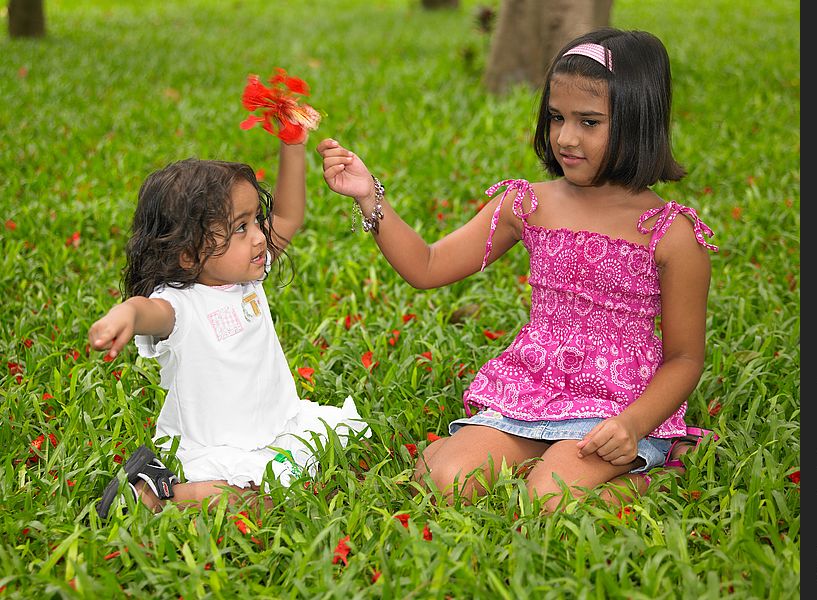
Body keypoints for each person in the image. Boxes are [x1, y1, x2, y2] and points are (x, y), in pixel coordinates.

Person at [317, 27, 718, 512]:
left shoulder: (670, 232)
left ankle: (660, 465)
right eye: (556, 117)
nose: (566, 137)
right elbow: (427, 265)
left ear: (638, 123)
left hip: (619, 402)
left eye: (589, 122)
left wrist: (633, 425)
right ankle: (528, 457)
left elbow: (683, 358)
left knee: (552, 501)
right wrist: (368, 196)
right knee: (448, 482)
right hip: (532, 388)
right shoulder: (527, 203)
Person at [89, 139, 368, 519]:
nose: (258, 235)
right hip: (218, 445)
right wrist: (124, 315)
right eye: (240, 227)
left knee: (322, 460)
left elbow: (288, 216)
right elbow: (146, 310)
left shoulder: (244, 276)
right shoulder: (181, 305)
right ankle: (155, 492)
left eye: (255, 220)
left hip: (275, 425)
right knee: (251, 500)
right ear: (188, 254)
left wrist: (292, 144)